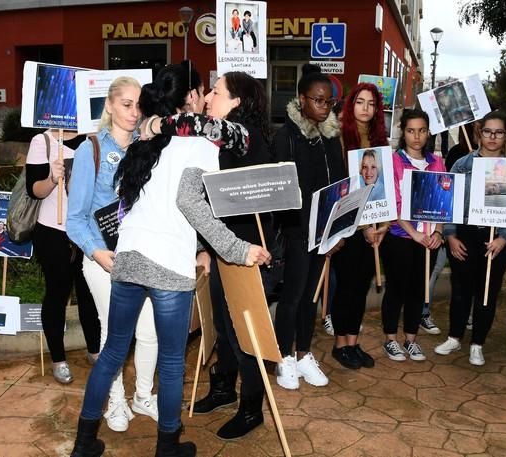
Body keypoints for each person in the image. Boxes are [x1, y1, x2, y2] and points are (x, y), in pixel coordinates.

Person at [70, 62, 270, 457]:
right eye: (202, 91)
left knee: (113, 351)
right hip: (167, 264)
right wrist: (237, 249)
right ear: (187, 99)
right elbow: (190, 204)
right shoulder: (198, 143)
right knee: (173, 360)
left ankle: (83, 443)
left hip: (128, 257)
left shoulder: (146, 140)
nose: (207, 97)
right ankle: (167, 447)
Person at [67, 77, 159, 433]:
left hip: (144, 255)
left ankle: (143, 395)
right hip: (105, 259)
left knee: (150, 331)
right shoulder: (89, 150)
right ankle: (116, 402)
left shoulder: (148, 148)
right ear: (109, 105)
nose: (134, 112)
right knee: (115, 334)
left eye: (139, 105)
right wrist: (97, 253)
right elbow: (74, 219)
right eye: (126, 104)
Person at [270, 63, 346, 389]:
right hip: (297, 231)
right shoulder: (286, 136)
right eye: (318, 100)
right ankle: (283, 357)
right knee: (293, 295)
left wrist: (337, 230)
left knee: (310, 299)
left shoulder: (330, 136)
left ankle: (302, 353)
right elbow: (280, 190)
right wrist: (300, 230)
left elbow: (340, 183)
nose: (324, 106)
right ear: (302, 99)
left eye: (328, 101)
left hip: (323, 232)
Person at [435, 111, 506, 365]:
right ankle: (455, 336)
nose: (492, 137)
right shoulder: (462, 164)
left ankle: (477, 343)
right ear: (479, 133)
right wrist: (450, 235)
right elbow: (449, 203)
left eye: (498, 132)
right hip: (464, 236)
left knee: (487, 292)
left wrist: (504, 238)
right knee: (460, 290)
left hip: (498, 239)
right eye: (487, 131)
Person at [25, 129, 101, 384]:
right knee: (57, 295)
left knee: (89, 294)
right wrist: (52, 178)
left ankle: (94, 350)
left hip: (88, 231)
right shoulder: (43, 141)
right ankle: (58, 359)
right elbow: (33, 189)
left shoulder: (95, 138)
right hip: (53, 232)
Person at [330, 83, 389, 370]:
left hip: (374, 229)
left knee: (362, 285)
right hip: (349, 227)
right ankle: (340, 345)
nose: (366, 108)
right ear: (350, 104)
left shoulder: (381, 142)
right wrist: (363, 224)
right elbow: (344, 187)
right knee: (347, 286)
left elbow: (385, 190)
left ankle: (353, 342)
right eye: (360, 102)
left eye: (371, 103)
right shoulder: (340, 138)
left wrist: (383, 225)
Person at [380, 109, 445, 362]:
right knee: (396, 289)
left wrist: (438, 232)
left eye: (421, 130)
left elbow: (444, 202)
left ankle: (411, 339)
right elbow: (394, 203)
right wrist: (413, 234)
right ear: (402, 133)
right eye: (410, 131)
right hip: (400, 237)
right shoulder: (394, 162)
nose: (416, 136)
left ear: (428, 132)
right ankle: (390, 339)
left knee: (418, 290)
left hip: (429, 239)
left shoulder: (437, 163)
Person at [420, 122, 479, 335]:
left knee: (476, 274)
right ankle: (423, 311)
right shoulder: (458, 155)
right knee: (435, 268)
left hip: (479, 227)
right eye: (479, 126)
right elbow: (448, 189)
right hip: (452, 223)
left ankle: (470, 315)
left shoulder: (499, 161)